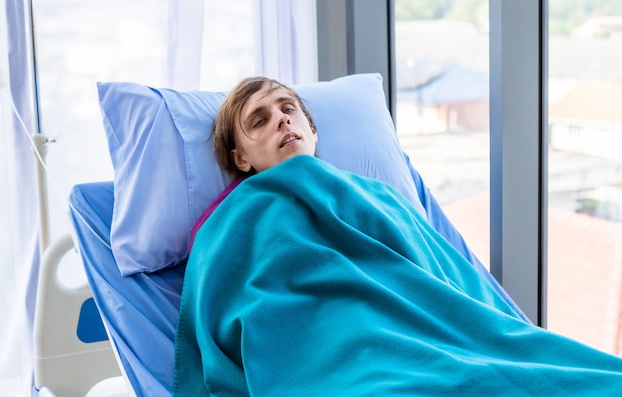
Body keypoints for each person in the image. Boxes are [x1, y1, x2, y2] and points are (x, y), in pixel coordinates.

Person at [173, 77, 622, 396]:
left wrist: (484, 334)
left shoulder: (378, 196)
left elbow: (442, 279)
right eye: (260, 119)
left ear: (312, 129)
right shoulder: (230, 219)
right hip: (329, 361)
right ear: (242, 157)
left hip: (433, 344)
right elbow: (216, 307)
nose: (281, 121)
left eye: (288, 108)